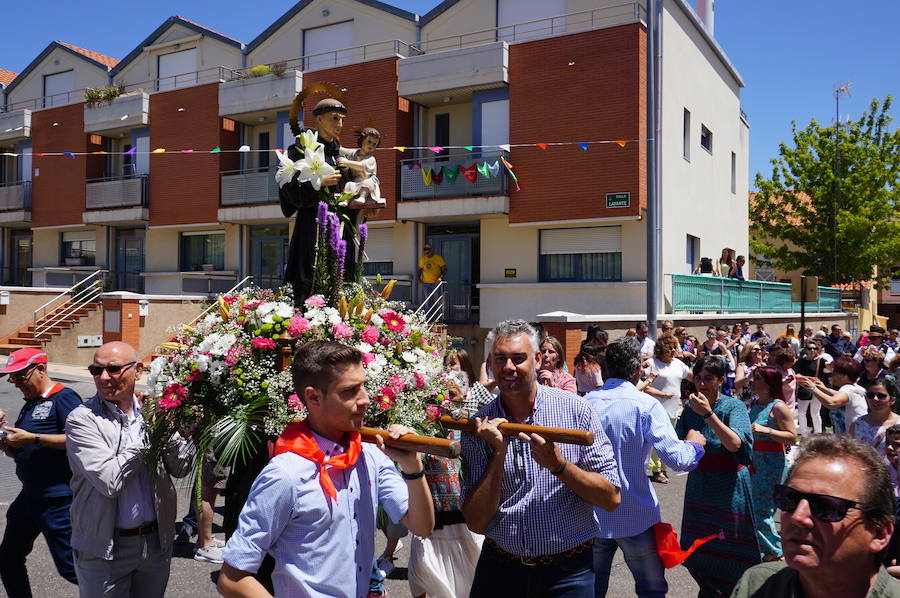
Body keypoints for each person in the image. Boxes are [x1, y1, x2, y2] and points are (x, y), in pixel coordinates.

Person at [218, 341, 435, 597]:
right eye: (350, 391)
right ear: (313, 397)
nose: (365, 399)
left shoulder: (372, 456)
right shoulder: (285, 474)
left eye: (364, 386)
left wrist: (412, 466)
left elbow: (422, 527)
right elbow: (232, 578)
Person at [461, 320, 620, 597]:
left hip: (568, 573)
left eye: (519, 358)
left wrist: (559, 466)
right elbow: (476, 521)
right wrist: (498, 454)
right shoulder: (479, 425)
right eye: (500, 358)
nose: (509, 367)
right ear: (490, 362)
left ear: (537, 360)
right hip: (500, 569)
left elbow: (611, 498)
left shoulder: (576, 411)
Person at [65, 341, 191, 598]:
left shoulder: (152, 412)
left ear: (138, 370)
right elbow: (110, 481)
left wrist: (167, 431)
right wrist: (150, 432)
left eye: (113, 369)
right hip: (104, 547)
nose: (102, 378)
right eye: (95, 370)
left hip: (155, 543)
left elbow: (182, 467)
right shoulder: (82, 419)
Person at [587, 337, 706, 598]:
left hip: (592, 515)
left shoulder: (584, 404)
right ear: (637, 370)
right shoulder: (644, 405)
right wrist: (695, 444)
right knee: (651, 591)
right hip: (635, 513)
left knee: (591, 591)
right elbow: (679, 460)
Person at [731, 435, 900, 598]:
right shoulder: (758, 585)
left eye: (827, 507)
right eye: (790, 499)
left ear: (879, 534)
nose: (798, 517)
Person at [676, 355, 760, 596]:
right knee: (697, 545)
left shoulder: (733, 406)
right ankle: (708, 588)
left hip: (729, 485)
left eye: (708, 379)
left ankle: (735, 590)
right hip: (700, 484)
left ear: (721, 381)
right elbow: (678, 444)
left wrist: (708, 415)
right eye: (699, 379)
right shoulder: (690, 408)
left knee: (730, 543)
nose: (702, 384)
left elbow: (736, 445)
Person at [0, 348, 81, 597]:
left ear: (41, 369)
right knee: (8, 558)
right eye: (11, 379)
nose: (16, 384)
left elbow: (79, 440)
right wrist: (6, 442)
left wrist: (34, 438)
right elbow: (23, 450)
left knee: (73, 569)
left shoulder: (64, 397)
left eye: (20, 377)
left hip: (58, 499)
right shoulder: (31, 403)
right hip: (30, 496)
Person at [408, 370, 482, 598]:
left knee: (470, 583)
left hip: (464, 524)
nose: (446, 400)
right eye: (441, 395)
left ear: (463, 395)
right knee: (423, 573)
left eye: (451, 394)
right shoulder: (424, 428)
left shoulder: (470, 429)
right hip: (432, 524)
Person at [279, 97, 360, 305]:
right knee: (311, 270)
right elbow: (288, 187)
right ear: (319, 119)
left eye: (342, 120)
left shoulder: (339, 153)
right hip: (313, 222)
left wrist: (363, 206)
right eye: (334, 118)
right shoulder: (300, 150)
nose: (339, 125)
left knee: (341, 271)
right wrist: (318, 183)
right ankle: (307, 314)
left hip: (341, 223)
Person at [747, 367, 797, 562]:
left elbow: (792, 437)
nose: (752, 380)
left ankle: (775, 551)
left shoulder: (778, 407)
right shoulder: (756, 403)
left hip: (770, 464)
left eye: (757, 378)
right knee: (751, 508)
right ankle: (768, 549)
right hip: (754, 462)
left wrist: (766, 431)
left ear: (768, 383)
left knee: (762, 510)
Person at [644, 334, 693, 484]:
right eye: (669, 348)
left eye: (674, 347)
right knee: (656, 440)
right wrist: (663, 394)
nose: (672, 350)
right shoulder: (651, 363)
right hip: (655, 409)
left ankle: (663, 468)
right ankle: (657, 470)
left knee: (669, 439)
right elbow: (644, 386)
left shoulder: (678, 364)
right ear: (661, 348)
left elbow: (692, 377)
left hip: (673, 409)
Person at [797, 356, 867, 435]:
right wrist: (821, 387)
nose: (831, 375)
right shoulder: (855, 388)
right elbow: (838, 395)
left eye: (834, 372)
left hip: (854, 442)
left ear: (845, 376)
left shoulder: (849, 389)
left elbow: (831, 403)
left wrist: (812, 388)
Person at [850, 376, 900, 455]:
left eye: (881, 396)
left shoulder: (898, 423)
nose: (875, 399)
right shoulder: (856, 424)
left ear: (892, 400)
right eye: (870, 395)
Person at [337, 126, 385, 208]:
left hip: (368, 181)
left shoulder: (371, 159)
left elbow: (361, 166)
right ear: (362, 141)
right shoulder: (354, 153)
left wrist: (346, 162)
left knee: (367, 183)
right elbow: (342, 150)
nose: (371, 145)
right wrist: (333, 144)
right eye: (369, 141)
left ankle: (362, 198)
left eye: (374, 144)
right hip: (356, 181)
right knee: (349, 185)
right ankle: (345, 200)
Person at [445, 348, 493, 413]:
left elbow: (494, 408)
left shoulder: (476, 387)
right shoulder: (441, 387)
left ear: (464, 365)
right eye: (445, 364)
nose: (447, 368)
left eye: (452, 364)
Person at [794, 341, 826, 436]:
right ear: (806, 350)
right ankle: (804, 435)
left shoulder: (821, 361)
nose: (812, 350)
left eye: (814, 348)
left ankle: (818, 434)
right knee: (801, 413)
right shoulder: (801, 361)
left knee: (815, 413)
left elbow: (830, 367)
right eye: (810, 348)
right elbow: (796, 374)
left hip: (816, 390)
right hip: (804, 390)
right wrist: (807, 379)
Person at [734, 340, 767, 409]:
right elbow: (737, 385)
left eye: (760, 349)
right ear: (748, 352)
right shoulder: (742, 366)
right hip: (745, 403)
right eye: (756, 349)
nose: (759, 351)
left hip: (760, 403)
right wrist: (749, 375)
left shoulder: (764, 366)